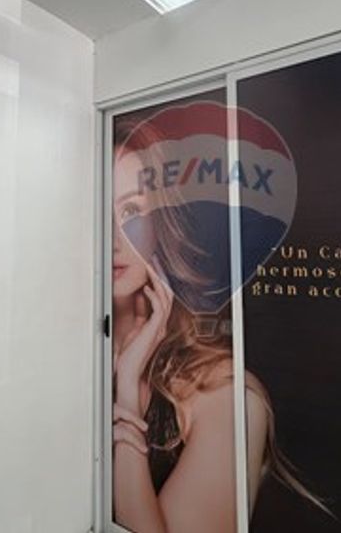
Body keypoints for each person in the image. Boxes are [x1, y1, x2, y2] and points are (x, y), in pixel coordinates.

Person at [111, 113, 326, 533]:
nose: (113, 238)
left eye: (132, 210)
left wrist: (128, 391)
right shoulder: (61, 357)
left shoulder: (226, 395)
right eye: (98, 214)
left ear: (163, 226)